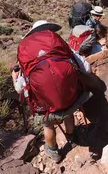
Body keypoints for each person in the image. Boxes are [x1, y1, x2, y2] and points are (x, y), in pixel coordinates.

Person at [13, 20, 92, 163]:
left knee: (47, 125)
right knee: (68, 113)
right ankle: (72, 136)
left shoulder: (26, 56)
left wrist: (14, 78)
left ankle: (54, 152)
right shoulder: (61, 46)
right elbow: (86, 68)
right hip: (70, 99)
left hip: (45, 106)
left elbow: (20, 88)